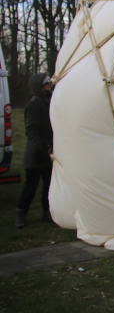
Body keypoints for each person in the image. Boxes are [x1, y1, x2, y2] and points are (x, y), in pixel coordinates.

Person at [16, 73, 54, 228]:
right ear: (39, 86)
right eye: (47, 82)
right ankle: (20, 215)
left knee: (48, 186)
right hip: (36, 154)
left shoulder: (48, 102)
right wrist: (39, 149)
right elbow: (31, 129)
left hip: (47, 152)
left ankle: (47, 213)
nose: (50, 85)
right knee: (31, 186)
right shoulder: (33, 104)